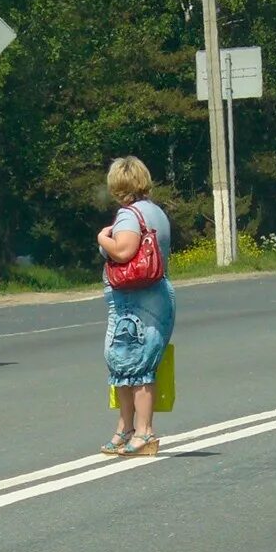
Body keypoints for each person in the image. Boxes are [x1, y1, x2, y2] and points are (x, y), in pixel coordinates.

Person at [96, 156, 175, 456]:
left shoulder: (129, 216)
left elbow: (124, 250)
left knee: (138, 367)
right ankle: (125, 428)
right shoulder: (155, 213)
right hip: (153, 295)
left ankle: (143, 431)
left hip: (136, 300)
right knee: (124, 364)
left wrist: (103, 237)